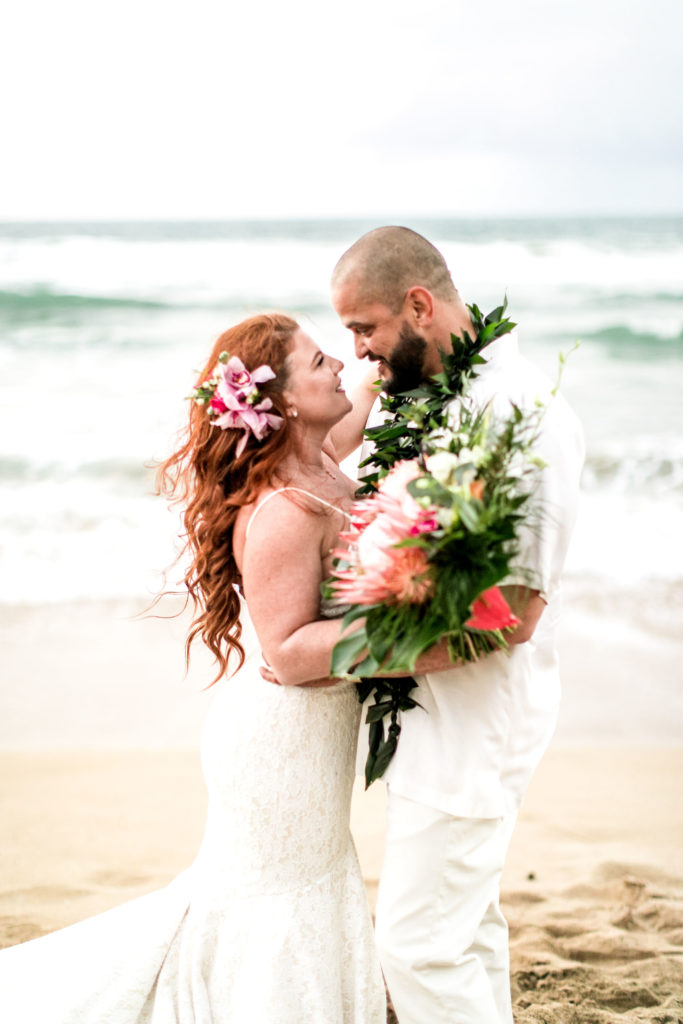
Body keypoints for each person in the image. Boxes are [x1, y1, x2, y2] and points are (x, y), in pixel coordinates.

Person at [0, 313, 394, 1023]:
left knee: (300, 882)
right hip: (281, 744)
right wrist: (406, 626)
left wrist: (398, 353)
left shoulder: (319, 456)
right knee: (274, 895)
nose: (337, 363)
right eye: (317, 361)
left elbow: (363, 395)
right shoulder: (284, 506)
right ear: (286, 404)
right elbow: (285, 652)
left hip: (310, 733)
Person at [327, 226, 585, 1024]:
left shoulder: (522, 417)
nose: (360, 352)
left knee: (415, 945)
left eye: (363, 329)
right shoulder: (436, 395)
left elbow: (515, 612)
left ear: (417, 305)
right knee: (465, 927)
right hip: (433, 707)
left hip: (478, 717)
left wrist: (354, 656)